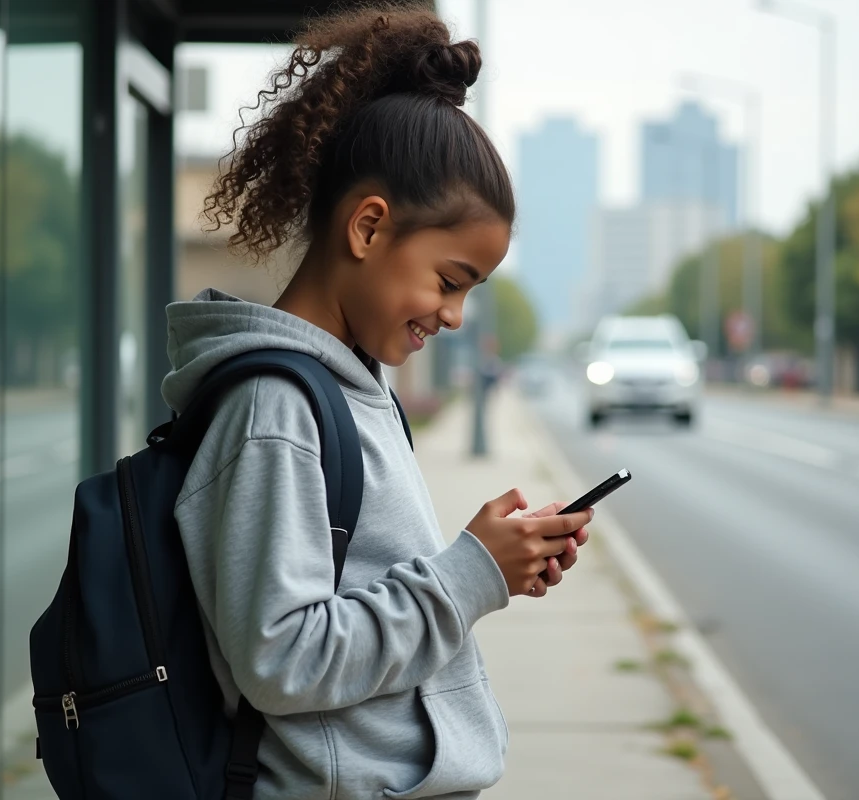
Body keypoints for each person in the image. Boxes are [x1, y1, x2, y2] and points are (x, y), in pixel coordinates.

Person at [161, 6, 592, 798]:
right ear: (368, 227)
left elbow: (357, 594)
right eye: (449, 280)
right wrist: (467, 575)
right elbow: (284, 661)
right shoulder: (276, 411)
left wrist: (492, 565)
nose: (455, 315)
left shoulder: (347, 388)